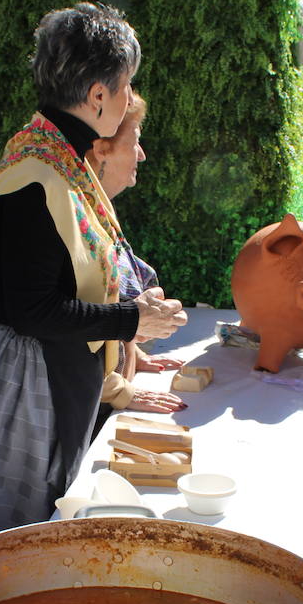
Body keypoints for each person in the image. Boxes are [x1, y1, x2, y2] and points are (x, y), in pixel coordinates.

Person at [0, 3, 186, 541]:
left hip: (41, 374)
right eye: (125, 87)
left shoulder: (53, 156)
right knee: (4, 543)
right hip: (20, 384)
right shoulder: (38, 173)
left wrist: (128, 323)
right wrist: (130, 319)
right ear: (98, 95)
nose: (125, 101)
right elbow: (31, 308)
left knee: (33, 537)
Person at [84, 92, 185, 416]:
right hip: (90, 400)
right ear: (102, 151)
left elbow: (109, 299)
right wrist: (118, 390)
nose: (141, 155)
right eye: (135, 142)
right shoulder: (78, 215)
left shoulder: (99, 208)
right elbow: (66, 327)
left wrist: (133, 352)